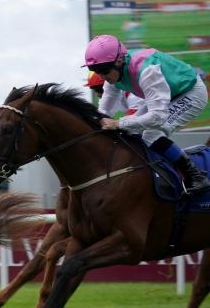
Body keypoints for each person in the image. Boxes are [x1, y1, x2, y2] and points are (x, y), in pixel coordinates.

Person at [84, 34, 210, 196]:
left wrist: (117, 123)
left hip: (191, 93)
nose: (101, 76)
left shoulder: (147, 72)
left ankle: (195, 176)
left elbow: (157, 117)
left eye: (103, 71)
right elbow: (103, 113)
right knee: (132, 131)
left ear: (119, 61)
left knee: (151, 134)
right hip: (170, 94)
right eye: (95, 71)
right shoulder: (113, 75)